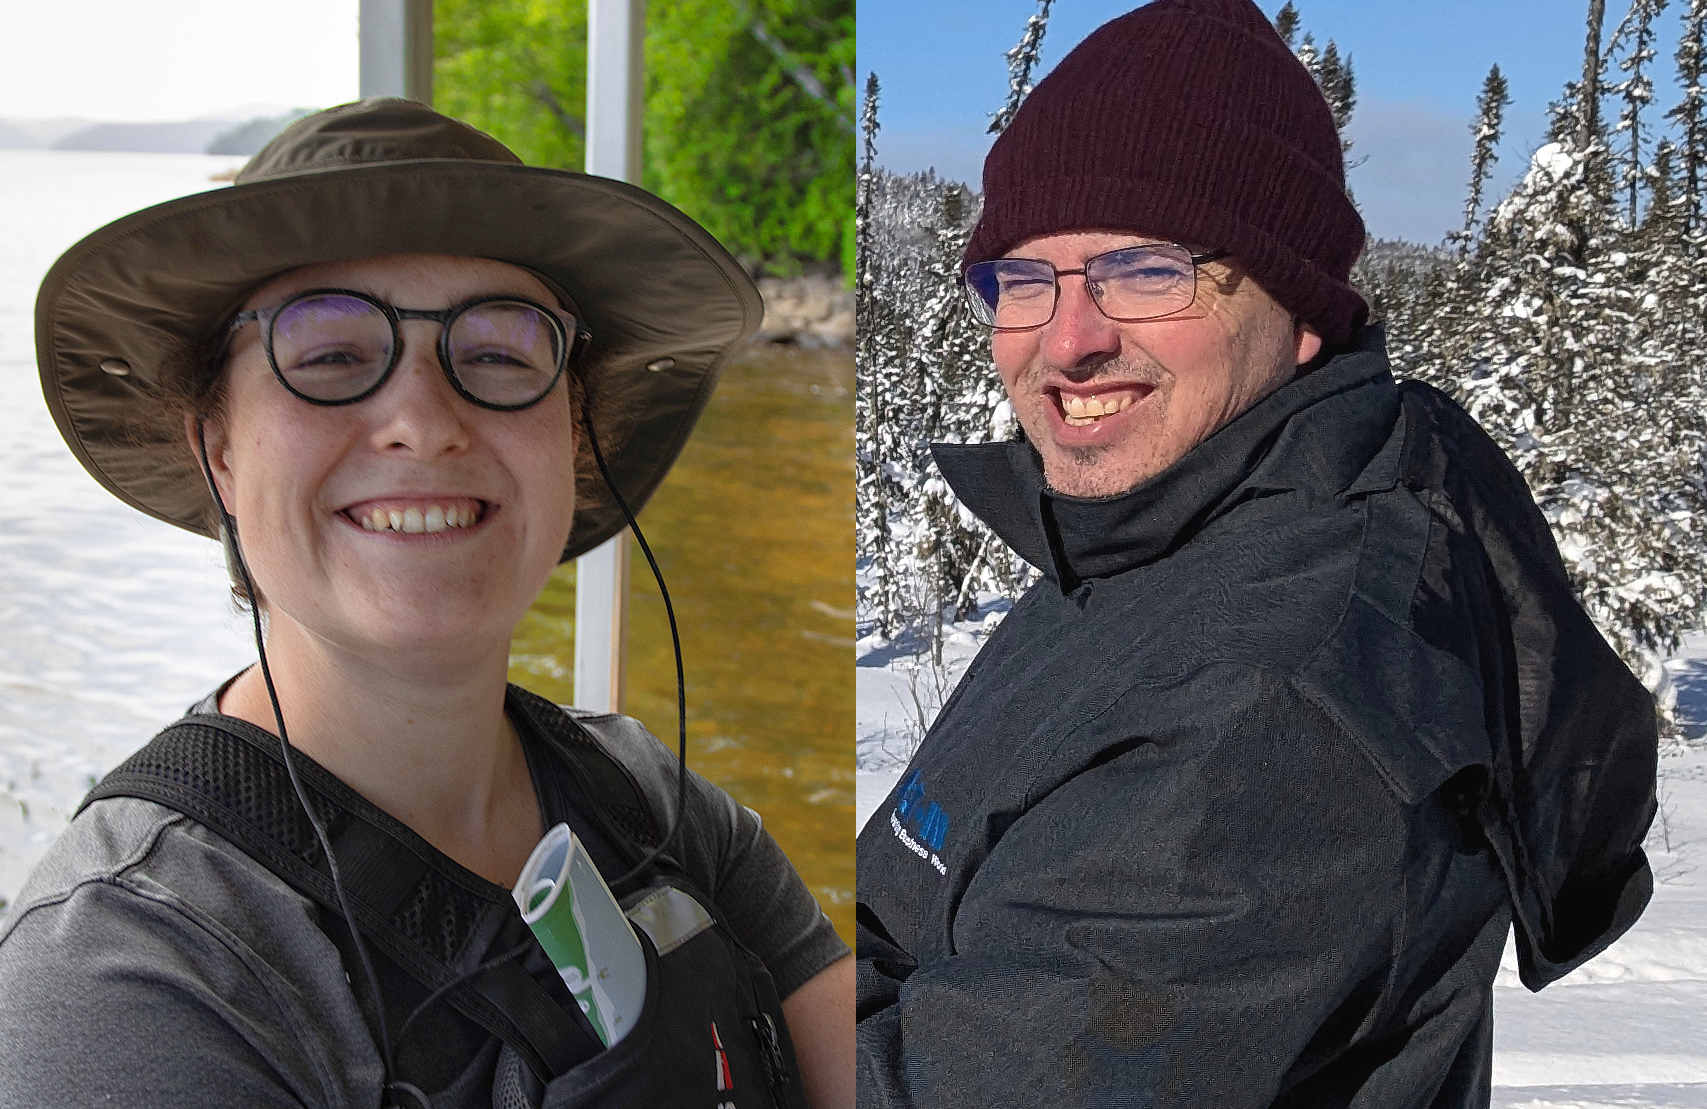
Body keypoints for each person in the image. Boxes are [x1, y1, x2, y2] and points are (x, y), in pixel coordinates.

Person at [855, 1, 1658, 1105]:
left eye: (1146, 271)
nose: (1069, 339)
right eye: (1024, 280)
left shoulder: (1272, 706)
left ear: (1300, 307)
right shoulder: (1159, 533)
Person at [0, 100, 852, 1109]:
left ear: (572, 435)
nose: (422, 421)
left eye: (498, 352)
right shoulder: (134, 970)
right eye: (328, 354)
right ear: (219, 449)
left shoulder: (649, 801)